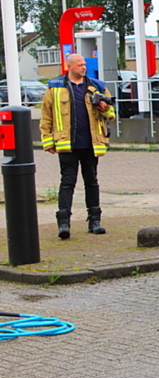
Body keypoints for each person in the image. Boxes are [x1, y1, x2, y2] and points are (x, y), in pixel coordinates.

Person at [40, 53, 115, 239]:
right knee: (67, 182)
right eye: (80, 65)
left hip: (91, 144)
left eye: (84, 65)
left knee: (92, 181)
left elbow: (112, 113)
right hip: (67, 144)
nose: (84, 68)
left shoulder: (96, 86)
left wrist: (106, 109)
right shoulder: (55, 88)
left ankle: (95, 221)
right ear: (70, 67)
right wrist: (48, 141)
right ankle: (64, 223)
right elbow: (46, 115)